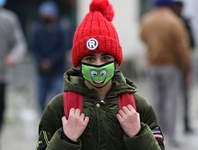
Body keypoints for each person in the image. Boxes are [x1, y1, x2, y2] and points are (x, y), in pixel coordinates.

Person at [36, 0, 165, 149]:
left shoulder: (138, 107)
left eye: (105, 58)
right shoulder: (58, 108)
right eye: (90, 58)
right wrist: (66, 139)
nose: (98, 65)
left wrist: (138, 134)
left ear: (117, 62)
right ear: (78, 64)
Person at [140, 0, 191, 147]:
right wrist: (186, 69)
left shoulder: (147, 19)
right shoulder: (174, 21)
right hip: (170, 66)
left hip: (152, 65)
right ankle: (171, 135)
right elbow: (182, 48)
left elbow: (142, 36)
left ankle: (156, 133)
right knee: (171, 101)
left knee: (155, 100)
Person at [29, 0, 71, 113]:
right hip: (41, 72)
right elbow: (34, 48)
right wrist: (41, 61)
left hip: (57, 71)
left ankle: (56, 120)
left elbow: (64, 48)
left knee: (57, 99)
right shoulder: (37, 30)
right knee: (40, 100)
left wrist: (51, 61)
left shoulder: (61, 29)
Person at [0, 0, 27, 147]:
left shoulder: (8, 19)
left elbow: (20, 43)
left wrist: (13, 57)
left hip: (1, 76)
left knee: (0, 111)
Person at [173, 0, 194, 133]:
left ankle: (178, 125)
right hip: (177, 65)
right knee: (181, 96)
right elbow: (190, 45)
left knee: (175, 97)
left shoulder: (178, 21)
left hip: (174, 64)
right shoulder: (181, 22)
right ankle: (183, 124)